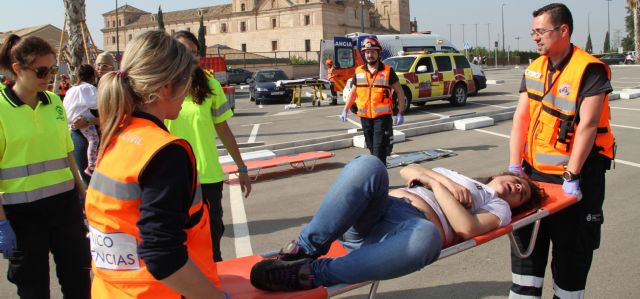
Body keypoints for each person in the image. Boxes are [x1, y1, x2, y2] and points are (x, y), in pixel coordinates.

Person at [250, 154, 544, 291]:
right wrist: (433, 177)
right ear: (502, 174)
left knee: (427, 237)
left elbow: (466, 227)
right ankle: (303, 249)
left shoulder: (498, 207)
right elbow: (410, 170)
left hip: (407, 232)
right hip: (382, 208)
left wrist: (436, 185)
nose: (518, 188)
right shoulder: (463, 178)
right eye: (518, 182)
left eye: (523, 194)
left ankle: (310, 273)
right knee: (370, 164)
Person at [84, 30, 229, 298]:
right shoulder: (165, 153)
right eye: (186, 81)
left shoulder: (117, 133)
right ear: (165, 87)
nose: (188, 89)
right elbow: (162, 255)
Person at [507, 3, 614, 298]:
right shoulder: (534, 68)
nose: (535, 38)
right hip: (533, 179)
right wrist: (515, 166)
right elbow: (521, 119)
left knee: (570, 264)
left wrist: (572, 174)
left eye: (541, 31)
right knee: (525, 263)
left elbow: (588, 126)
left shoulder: (588, 70)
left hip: (575, 182)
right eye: (533, 32)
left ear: (563, 31)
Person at [0, 34, 91, 298]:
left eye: (52, 69)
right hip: (22, 216)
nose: (48, 76)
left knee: (78, 282)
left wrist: (82, 193)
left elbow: (66, 154)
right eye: (41, 70)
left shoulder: (54, 103)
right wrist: (2, 223)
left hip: (64, 208)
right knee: (34, 288)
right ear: (17, 69)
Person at [165, 30, 251, 262]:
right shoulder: (160, 87)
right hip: (172, 179)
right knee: (178, 243)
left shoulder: (210, 85)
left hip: (207, 178)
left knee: (212, 240)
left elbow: (223, 129)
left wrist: (241, 168)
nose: (191, 57)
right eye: (184, 50)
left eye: (195, 52)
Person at [340, 37, 406, 164]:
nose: (370, 55)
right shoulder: (358, 71)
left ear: (378, 53)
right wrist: (345, 109)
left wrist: (400, 112)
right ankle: (379, 174)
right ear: (364, 54)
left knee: (378, 151)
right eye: (367, 52)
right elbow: (353, 93)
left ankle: (380, 180)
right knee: (371, 148)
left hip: (382, 118)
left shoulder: (387, 71)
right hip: (365, 118)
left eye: (373, 52)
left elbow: (399, 91)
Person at [70, 51, 117, 185]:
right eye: (98, 65)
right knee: (87, 178)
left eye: (105, 65)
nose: (100, 68)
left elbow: (114, 116)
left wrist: (89, 121)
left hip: (105, 136)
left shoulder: (116, 88)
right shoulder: (87, 87)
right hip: (80, 134)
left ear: (113, 68)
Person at [63, 64, 100, 175]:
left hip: (71, 122)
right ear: (92, 77)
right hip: (83, 121)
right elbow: (97, 103)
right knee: (94, 140)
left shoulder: (71, 90)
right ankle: (91, 165)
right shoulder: (89, 88)